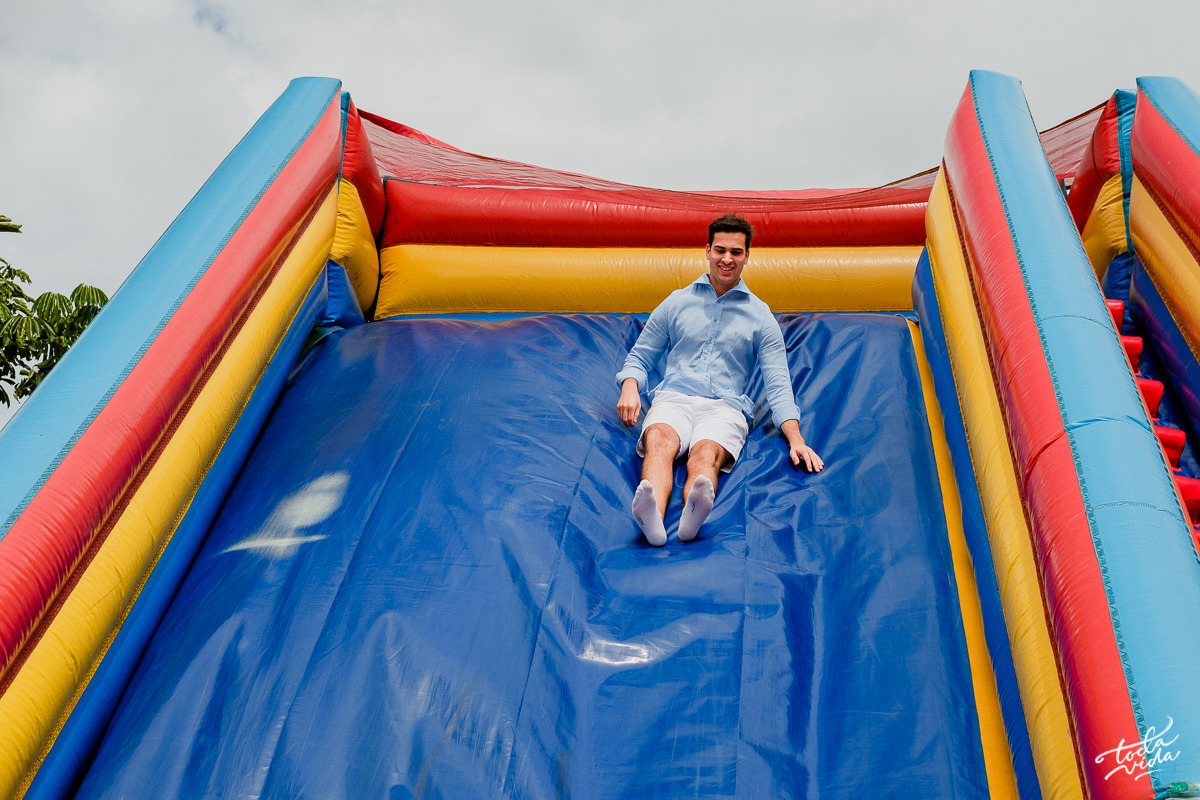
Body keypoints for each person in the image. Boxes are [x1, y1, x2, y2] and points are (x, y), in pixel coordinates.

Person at [616, 213, 824, 546]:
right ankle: (651, 517)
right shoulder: (677, 302)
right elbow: (641, 355)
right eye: (720, 250)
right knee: (659, 440)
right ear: (708, 251)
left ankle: (692, 517)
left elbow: (778, 385)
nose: (727, 259)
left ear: (747, 256)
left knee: (705, 453)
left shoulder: (760, 316)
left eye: (736, 252)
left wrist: (796, 439)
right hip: (674, 398)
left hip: (725, 407)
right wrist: (629, 385)